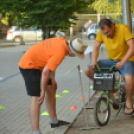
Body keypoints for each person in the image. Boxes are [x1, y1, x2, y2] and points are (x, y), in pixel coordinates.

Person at [18, 36, 88, 134]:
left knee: (51, 88)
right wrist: (42, 91)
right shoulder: (61, 53)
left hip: (40, 65)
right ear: (72, 52)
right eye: (76, 54)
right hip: (29, 66)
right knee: (37, 99)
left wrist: (53, 80)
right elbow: (46, 72)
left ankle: (54, 122)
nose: (75, 56)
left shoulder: (62, 41)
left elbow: (51, 64)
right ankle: (36, 132)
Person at [84, 18, 134, 115]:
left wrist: (123, 62)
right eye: (104, 34)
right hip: (111, 60)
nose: (106, 35)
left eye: (108, 32)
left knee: (128, 79)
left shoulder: (123, 29)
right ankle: (110, 87)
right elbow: (96, 48)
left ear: (113, 26)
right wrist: (94, 61)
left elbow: (132, 47)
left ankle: (128, 101)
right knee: (87, 70)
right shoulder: (101, 32)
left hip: (127, 60)